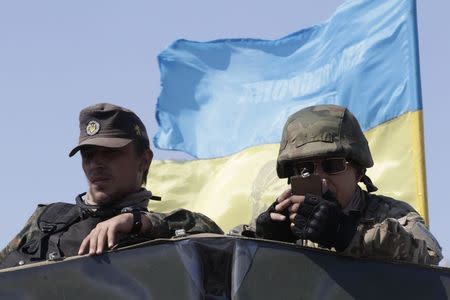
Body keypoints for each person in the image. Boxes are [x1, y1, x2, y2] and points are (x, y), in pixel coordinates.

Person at [0, 103, 223, 269]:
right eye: (88, 155)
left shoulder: (161, 229)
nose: (96, 163)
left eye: (110, 153)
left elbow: (216, 236)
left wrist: (138, 221)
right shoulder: (46, 219)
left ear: (144, 160)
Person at [251, 104, 442, 265]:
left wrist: (346, 234)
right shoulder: (282, 217)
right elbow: (225, 254)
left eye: (332, 165)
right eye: (305, 168)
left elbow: (430, 258)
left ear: (358, 172)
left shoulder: (391, 215)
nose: (321, 178)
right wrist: (261, 241)